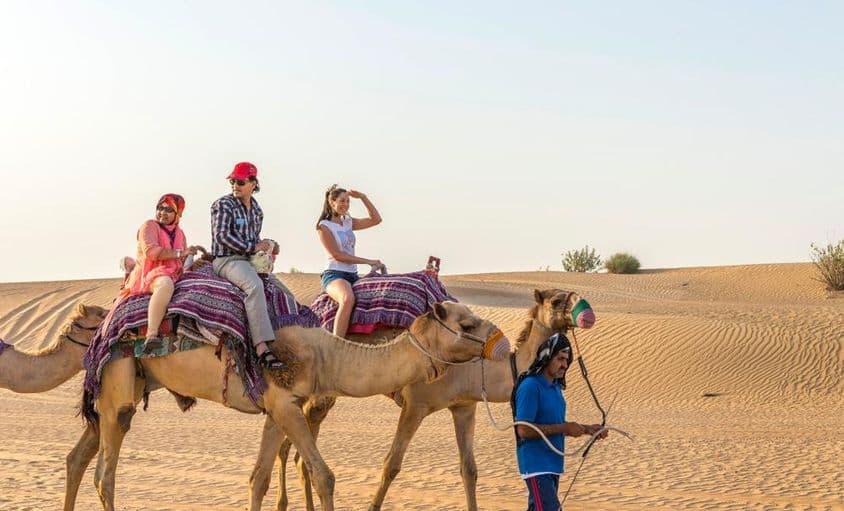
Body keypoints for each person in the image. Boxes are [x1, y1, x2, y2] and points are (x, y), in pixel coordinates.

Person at [513, 333, 608, 511]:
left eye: (567, 360)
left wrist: (589, 429)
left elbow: (555, 425)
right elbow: (523, 430)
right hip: (536, 465)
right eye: (560, 359)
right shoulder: (530, 386)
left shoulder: (556, 388)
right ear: (547, 356)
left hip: (553, 465)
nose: (565, 364)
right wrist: (565, 427)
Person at [211, 162, 284, 369]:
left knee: (282, 291)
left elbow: (255, 238)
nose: (235, 185)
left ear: (253, 183)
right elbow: (222, 236)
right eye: (233, 181)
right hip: (228, 259)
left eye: (240, 182)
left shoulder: (257, 210)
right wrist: (254, 247)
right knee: (254, 287)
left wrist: (269, 247)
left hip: (249, 260)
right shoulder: (223, 205)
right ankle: (261, 348)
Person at [121, 194, 198, 353]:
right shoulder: (149, 226)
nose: (162, 212)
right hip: (151, 274)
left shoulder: (180, 233)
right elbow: (151, 252)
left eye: (169, 209)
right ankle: (152, 333)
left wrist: (190, 255)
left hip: (175, 273)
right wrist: (180, 253)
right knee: (165, 285)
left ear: (178, 214)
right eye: (160, 208)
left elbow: (182, 259)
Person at [315, 184, 384, 337]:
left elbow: (376, 219)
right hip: (335, 274)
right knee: (347, 299)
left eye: (347, 201)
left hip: (353, 275)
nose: (345, 205)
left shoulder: (347, 222)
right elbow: (337, 255)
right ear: (332, 202)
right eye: (342, 201)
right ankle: (337, 343)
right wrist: (368, 261)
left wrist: (363, 198)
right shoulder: (324, 226)